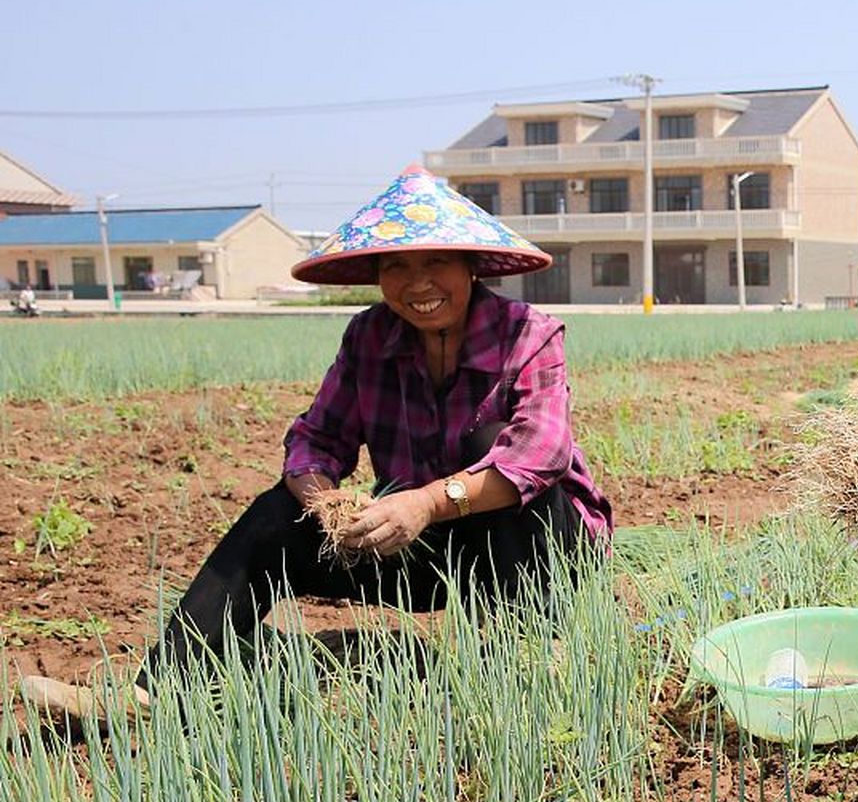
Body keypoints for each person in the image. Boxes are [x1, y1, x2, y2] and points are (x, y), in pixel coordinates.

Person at [19, 164, 612, 720]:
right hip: (425, 545)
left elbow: (540, 452)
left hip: (538, 555)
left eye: (437, 263)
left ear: (470, 267)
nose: (417, 284)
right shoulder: (369, 337)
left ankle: (541, 655)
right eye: (397, 268)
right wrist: (318, 493)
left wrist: (425, 502)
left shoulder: (527, 334)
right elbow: (317, 436)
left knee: (505, 460)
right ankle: (157, 690)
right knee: (276, 514)